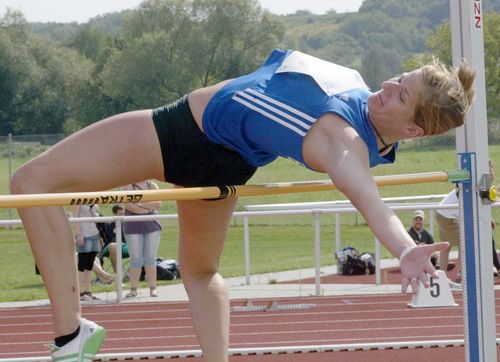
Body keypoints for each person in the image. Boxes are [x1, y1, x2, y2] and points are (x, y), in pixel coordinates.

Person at [11, 48, 475, 361]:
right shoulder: (356, 104)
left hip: (179, 134)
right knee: (199, 271)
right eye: (399, 77)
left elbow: (371, 201)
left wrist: (403, 248)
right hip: (229, 163)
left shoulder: (343, 141)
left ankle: (71, 335)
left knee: (30, 180)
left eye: (402, 94)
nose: (387, 86)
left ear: (412, 130)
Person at [122, 180, 162, 298]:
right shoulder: (129, 185)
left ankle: (153, 288)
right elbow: (128, 205)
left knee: (150, 258)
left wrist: (139, 204)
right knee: (135, 259)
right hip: (133, 225)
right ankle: (133, 289)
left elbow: (158, 204)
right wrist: (147, 208)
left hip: (152, 224)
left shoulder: (152, 185)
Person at [72, 204, 104, 301]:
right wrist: (79, 234)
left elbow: (97, 219)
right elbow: (75, 217)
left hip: (95, 234)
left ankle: (88, 291)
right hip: (84, 235)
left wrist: (94, 211)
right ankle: (80, 292)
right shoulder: (78, 200)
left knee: (90, 264)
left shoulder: (94, 200)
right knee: (82, 263)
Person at [100, 204, 129, 274]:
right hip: (109, 248)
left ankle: (130, 274)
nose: (123, 216)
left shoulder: (128, 224)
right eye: (120, 214)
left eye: (124, 214)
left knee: (141, 246)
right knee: (113, 246)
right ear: (114, 214)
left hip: (124, 247)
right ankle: (118, 275)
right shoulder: (107, 224)